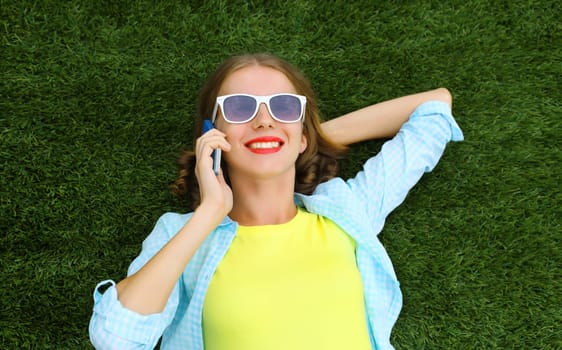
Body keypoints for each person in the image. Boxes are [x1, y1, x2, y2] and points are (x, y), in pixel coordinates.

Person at [89, 53, 463, 350]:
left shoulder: (347, 210)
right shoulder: (182, 235)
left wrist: (301, 138)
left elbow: (434, 107)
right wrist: (208, 213)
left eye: (284, 106)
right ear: (212, 134)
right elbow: (116, 339)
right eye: (240, 108)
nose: (264, 119)